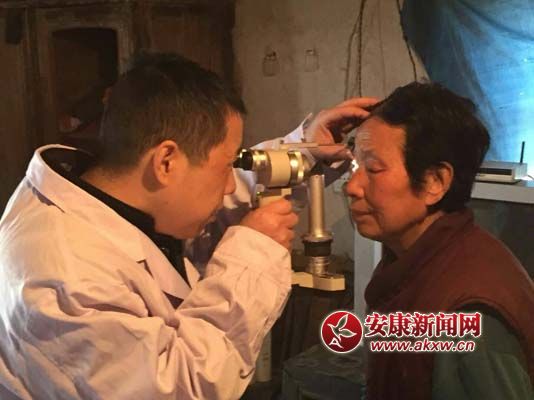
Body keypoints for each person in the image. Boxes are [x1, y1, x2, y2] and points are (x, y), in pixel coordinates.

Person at [0, 52, 376, 399]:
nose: (229, 185)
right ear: (166, 161)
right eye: (226, 165)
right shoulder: (65, 274)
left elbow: (208, 188)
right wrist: (253, 256)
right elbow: (179, 387)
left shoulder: (112, 191)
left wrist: (306, 150)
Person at [345, 81, 534, 399]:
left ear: (435, 182)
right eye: (355, 165)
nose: (352, 186)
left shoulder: (469, 313)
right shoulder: (410, 260)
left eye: (373, 168)